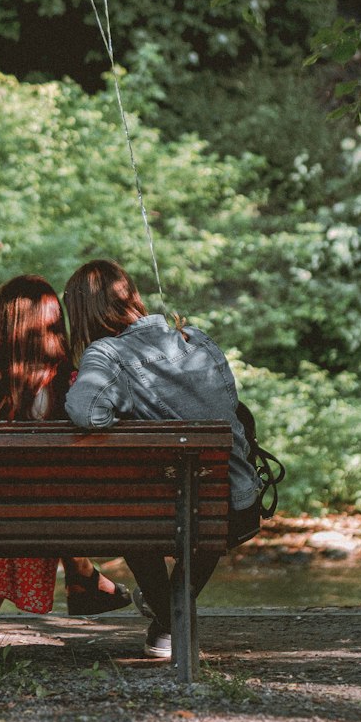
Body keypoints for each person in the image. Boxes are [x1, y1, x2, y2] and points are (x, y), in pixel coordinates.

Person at [62, 259, 262, 659]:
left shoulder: (108, 354)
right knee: (197, 512)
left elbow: (86, 413)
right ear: (131, 295)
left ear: (82, 314)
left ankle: (170, 619)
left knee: (131, 514)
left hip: (155, 511)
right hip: (233, 502)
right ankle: (171, 618)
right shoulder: (197, 340)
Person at [0, 273, 128, 658]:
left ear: (0, 325)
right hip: (43, 519)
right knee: (48, 497)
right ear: (54, 325)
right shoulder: (73, 386)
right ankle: (83, 573)